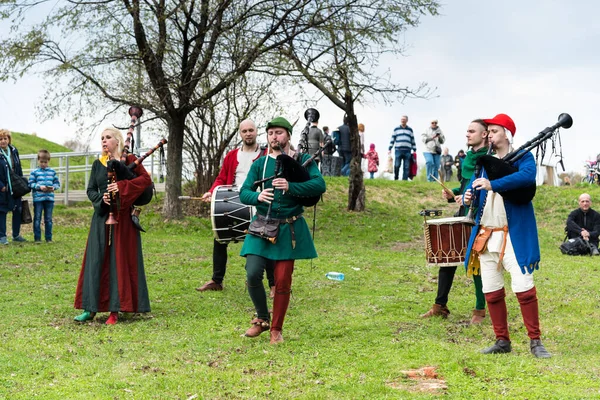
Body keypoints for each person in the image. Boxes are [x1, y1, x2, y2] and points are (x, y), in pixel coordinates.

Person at [463, 113, 551, 358]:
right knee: (491, 290)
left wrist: (494, 184)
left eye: (494, 131)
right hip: (487, 233)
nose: (489, 135)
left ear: (506, 133)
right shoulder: (484, 161)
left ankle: (535, 341)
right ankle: (502, 340)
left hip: (513, 233)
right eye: (488, 131)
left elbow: (526, 177)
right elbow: (473, 184)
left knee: (524, 288)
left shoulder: (523, 157)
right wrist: (469, 195)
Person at [239, 117, 326, 344]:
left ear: (287, 135)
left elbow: (319, 185)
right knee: (252, 273)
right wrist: (257, 195)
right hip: (261, 225)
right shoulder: (260, 163)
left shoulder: (303, 159)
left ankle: (276, 329)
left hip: (289, 227)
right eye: (270, 133)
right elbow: (244, 192)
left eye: (278, 132)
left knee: (282, 280)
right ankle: (261, 317)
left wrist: (291, 185)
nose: (274, 137)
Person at [74, 127, 152, 325]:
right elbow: (91, 190)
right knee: (96, 259)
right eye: (101, 138)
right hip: (101, 219)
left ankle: (115, 310)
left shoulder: (129, 160)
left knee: (119, 260)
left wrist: (122, 187)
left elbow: (145, 182)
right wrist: (103, 198)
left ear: (118, 140)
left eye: (108, 137)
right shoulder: (97, 164)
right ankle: (90, 308)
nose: (104, 141)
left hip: (123, 219)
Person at [421, 119, 489, 324]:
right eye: (466, 131)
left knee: (476, 262)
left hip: (482, 215)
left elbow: (485, 187)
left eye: (471, 131)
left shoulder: (489, 158)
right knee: (447, 258)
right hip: (464, 211)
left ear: (484, 135)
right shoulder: (468, 157)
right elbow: (466, 184)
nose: (467, 134)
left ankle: (480, 309)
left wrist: (469, 196)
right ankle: (440, 305)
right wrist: (454, 194)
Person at [196, 119, 275, 293]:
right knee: (219, 237)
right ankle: (217, 280)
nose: (248, 133)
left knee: (266, 240)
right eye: (244, 131)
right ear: (240, 133)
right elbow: (221, 178)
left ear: (256, 131)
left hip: (258, 203)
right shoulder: (232, 155)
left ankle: (273, 285)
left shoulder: (266, 154)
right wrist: (211, 192)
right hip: (232, 202)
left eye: (251, 130)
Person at [0, 129, 26, 244]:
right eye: (0, 139)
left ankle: (16, 235)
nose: (3, 141)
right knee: (2, 211)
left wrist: (21, 182)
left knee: (17, 209)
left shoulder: (14, 150)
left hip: (15, 185)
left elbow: (18, 166)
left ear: (9, 139)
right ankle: (2, 237)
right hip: (3, 187)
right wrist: (1, 186)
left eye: (5, 138)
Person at [28, 149, 60, 243]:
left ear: (48, 161)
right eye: (41, 162)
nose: (43, 164)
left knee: (48, 219)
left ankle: (48, 238)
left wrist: (53, 188)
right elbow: (30, 184)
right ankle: (37, 238)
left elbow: (57, 184)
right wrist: (39, 187)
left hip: (49, 198)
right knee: (37, 218)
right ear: (38, 160)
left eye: (45, 162)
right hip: (38, 199)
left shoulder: (52, 172)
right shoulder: (34, 172)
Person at [388, 115, 416, 180]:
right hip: (398, 150)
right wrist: (390, 148)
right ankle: (396, 178)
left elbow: (412, 140)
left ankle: (404, 180)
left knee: (406, 166)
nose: (402, 120)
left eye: (404, 119)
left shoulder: (410, 130)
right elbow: (393, 139)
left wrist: (414, 149)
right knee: (397, 165)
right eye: (402, 119)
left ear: (407, 121)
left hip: (407, 150)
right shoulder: (396, 129)